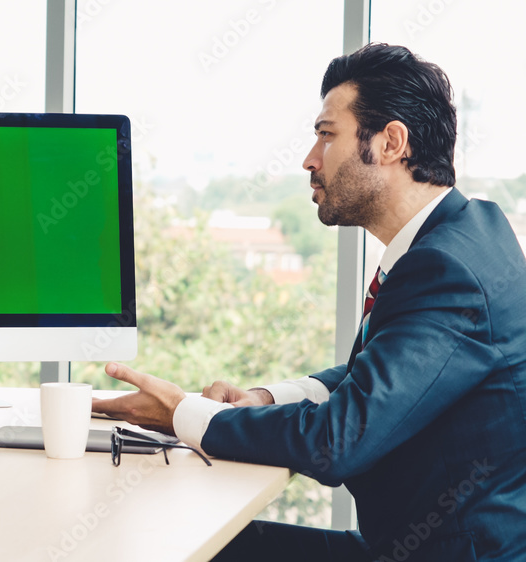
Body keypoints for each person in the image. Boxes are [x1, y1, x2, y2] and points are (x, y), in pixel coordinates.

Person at [92, 43, 526, 561]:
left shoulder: (446, 269)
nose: (309, 159)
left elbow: (337, 441)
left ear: (391, 142)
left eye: (326, 135)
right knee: (212, 545)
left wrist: (184, 412)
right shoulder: (466, 232)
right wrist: (266, 398)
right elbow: (384, 375)